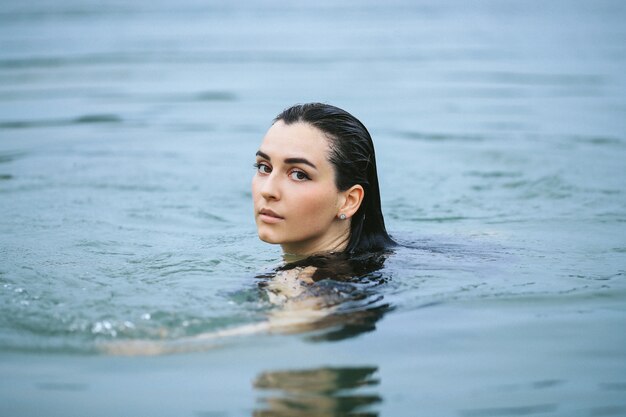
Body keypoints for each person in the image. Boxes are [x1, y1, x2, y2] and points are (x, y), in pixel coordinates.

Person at [252, 102, 396, 258]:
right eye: (264, 168)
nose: (267, 191)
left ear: (349, 201)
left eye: (299, 175)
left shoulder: (301, 281)